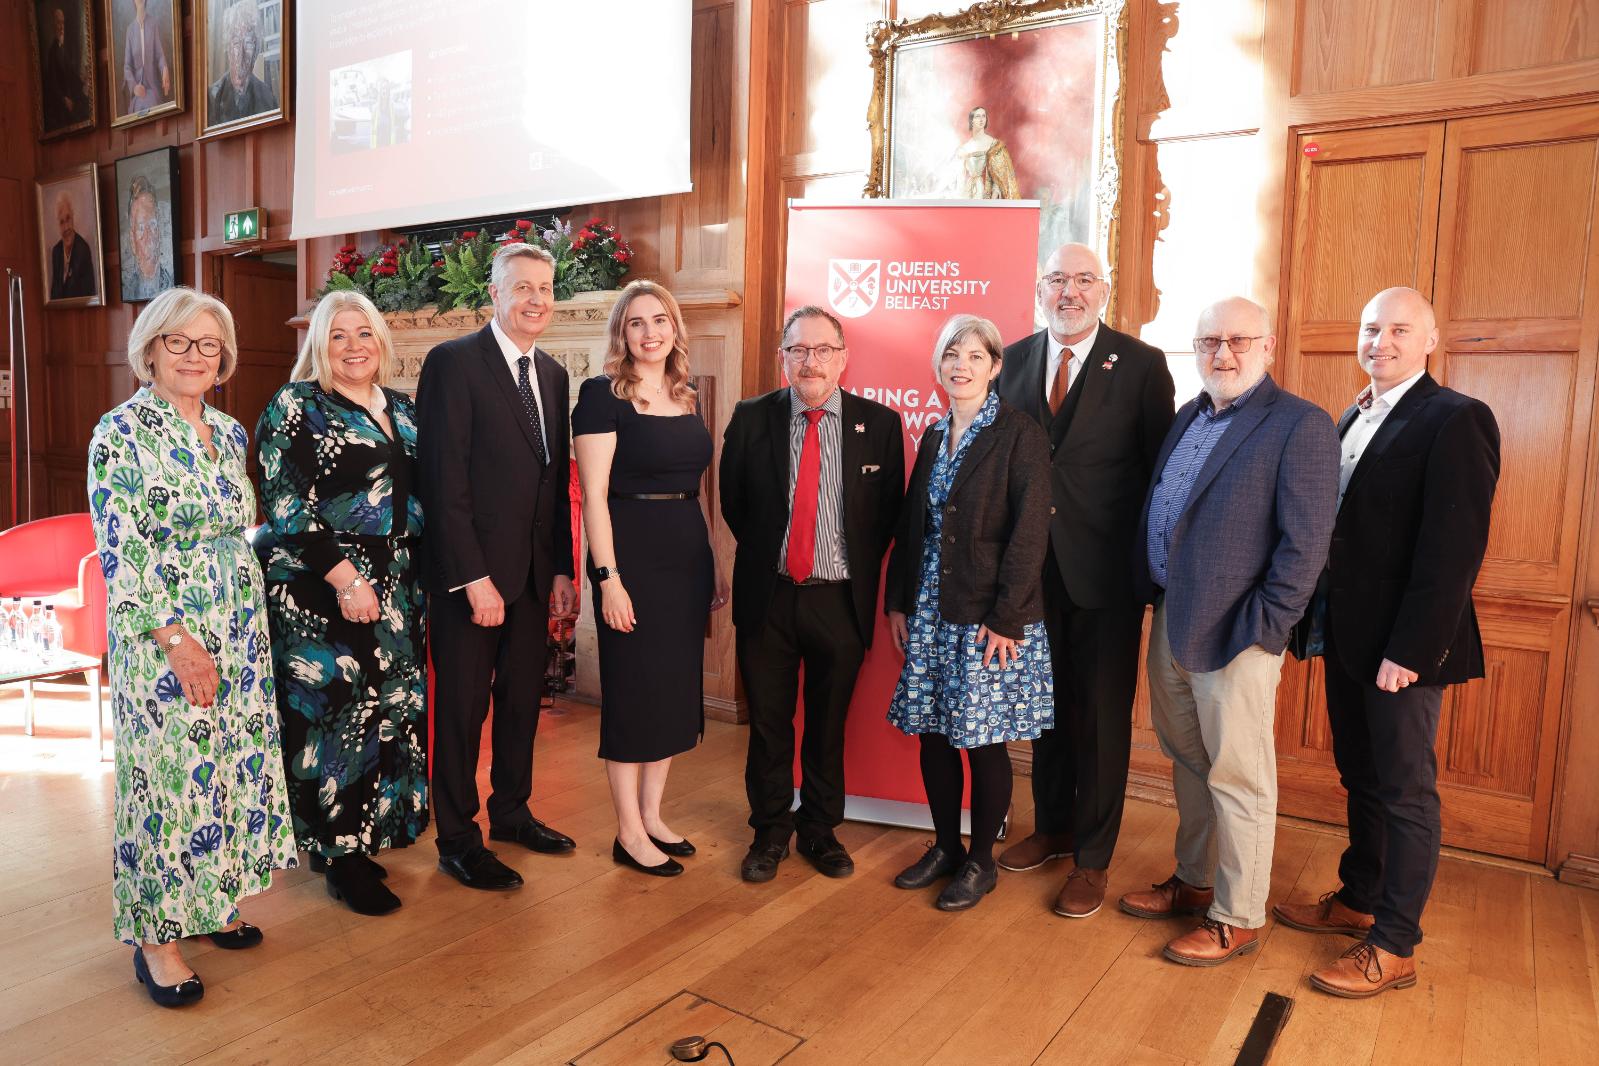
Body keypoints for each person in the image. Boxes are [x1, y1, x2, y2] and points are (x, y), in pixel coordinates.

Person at [1275, 287, 1500, 998]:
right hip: (1345, 637)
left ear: (1430, 339)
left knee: (1404, 790)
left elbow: (1452, 551)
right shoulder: (1352, 413)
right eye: (1371, 327)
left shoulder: (1455, 418)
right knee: (1361, 777)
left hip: (1404, 650)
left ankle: (1395, 943)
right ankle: (1358, 897)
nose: (1382, 341)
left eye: (1400, 329)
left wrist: (1410, 650)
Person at [86, 286, 297, 1007]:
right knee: (168, 781)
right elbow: (124, 551)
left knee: (228, 766)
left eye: (208, 344)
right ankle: (157, 940)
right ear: (150, 349)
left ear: (225, 358)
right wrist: (176, 638)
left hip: (237, 622)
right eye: (179, 341)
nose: (194, 356)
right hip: (164, 629)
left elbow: (240, 529)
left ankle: (208, 902)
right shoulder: (120, 432)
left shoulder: (231, 433)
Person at [1118, 296, 1338, 965]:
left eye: (1238, 340)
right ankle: (1194, 881)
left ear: (1267, 345)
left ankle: (1236, 915)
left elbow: (1305, 546)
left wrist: (1265, 630)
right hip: (1172, 621)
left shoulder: (1298, 425)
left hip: (1238, 636)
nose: (1223, 353)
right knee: (1189, 762)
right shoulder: (1188, 416)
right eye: (1210, 340)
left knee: (1239, 777)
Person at [995, 242, 1175, 919]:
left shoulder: (1140, 365)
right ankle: (1052, 827)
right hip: (1029, 574)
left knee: (1099, 718)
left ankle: (1092, 859)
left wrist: (1150, 572)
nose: (1068, 291)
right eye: (1056, 279)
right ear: (1039, 288)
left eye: (1082, 280)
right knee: (1043, 711)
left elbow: (1159, 476)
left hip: (1104, 576)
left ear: (1104, 289)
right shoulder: (1009, 360)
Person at [254, 290, 428, 916]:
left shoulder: (404, 410)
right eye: (338, 336)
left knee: (388, 711)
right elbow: (285, 503)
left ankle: (365, 838)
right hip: (324, 584)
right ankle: (338, 856)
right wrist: (347, 580)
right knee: (337, 717)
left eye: (365, 334)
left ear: (382, 342)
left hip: (398, 582)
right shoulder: (296, 405)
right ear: (318, 346)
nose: (354, 346)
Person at [720, 306, 904, 883]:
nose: (811, 361)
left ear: (843, 359)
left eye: (823, 350)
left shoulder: (879, 424)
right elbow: (734, 504)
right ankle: (770, 831)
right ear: (783, 358)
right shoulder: (752, 418)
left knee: (828, 726)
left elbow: (886, 517)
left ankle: (820, 830)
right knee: (771, 726)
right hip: (768, 598)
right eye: (799, 350)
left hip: (839, 603)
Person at [417, 242, 579, 892]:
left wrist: (563, 569)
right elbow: (442, 479)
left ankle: (512, 812)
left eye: (545, 288)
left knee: (520, 706)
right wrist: (472, 576)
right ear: (494, 293)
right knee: (460, 714)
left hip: (535, 579)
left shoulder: (555, 375)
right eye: (522, 288)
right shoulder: (453, 364)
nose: (535, 299)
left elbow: (550, 483)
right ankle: (457, 837)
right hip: (472, 582)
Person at [885, 314, 1053, 911]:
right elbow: (914, 528)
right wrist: (899, 602)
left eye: (975, 357)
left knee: (983, 742)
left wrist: (1008, 618)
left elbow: (1031, 534)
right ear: (938, 364)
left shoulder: (1019, 433)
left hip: (989, 617)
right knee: (933, 734)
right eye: (951, 354)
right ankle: (945, 848)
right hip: (931, 611)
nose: (961, 366)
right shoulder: (932, 435)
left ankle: (981, 861)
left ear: (996, 367)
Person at [572, 280, 727, 878]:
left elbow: (697, 491)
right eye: (636, 323)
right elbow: (593, 499)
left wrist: (710, 560)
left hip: (685, 556)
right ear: (622, 333)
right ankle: (628, 832)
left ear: (674, 329)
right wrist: (609, 579)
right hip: (630, 558)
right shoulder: (600, 396)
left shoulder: (687, 395)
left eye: (659, 320)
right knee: (635, 692)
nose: (650, 332)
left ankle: (654, 815)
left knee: (671, 689)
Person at [207, 0, 277, 126]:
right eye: (236, 43)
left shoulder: (268, 98)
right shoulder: (211, 97)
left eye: (248, 43)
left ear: (256, 51)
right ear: (227, 48)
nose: (241, 53)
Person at [123, 176, 173, 301]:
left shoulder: (171, 284)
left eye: (152, 224)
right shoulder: (128, 290)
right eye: (141, 227)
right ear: (132, 240)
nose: (148, 235)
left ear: (159, 233)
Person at [41, 5, 89, 132]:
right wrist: (64, 99)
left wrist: (83, 80)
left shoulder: (66, 48)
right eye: (58, 23)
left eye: (62, 22)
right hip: (61, 103)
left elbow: (71, 74)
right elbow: (53, 83)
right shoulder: (52, 51)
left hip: (72, 96)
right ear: (53, 25)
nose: (61, 26)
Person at [954, 107, 1019, 199]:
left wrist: (993, 198)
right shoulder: (964, 148)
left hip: (986, 194)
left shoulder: (995, 145)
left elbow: (999, 176)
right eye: (977, 116)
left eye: (983, 116)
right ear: (971, 120)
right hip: (968, 194)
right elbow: (960, 177)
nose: (981, 119)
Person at [122, 0, 170, 115]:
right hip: (138, 91)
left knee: (152, 105)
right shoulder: (130, 30)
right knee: (138, 112)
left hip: (152, 86)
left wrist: (164, 68)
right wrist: (134, 87)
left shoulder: (153, 24)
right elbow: (127, 66)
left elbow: (159, 55)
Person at [49, 192, 96, 300]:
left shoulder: (83, 249)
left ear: (73, 217)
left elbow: (88, 294)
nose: (66, 227)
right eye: (61, 222)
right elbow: (54, 294)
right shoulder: (56, 252)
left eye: (68, 219)